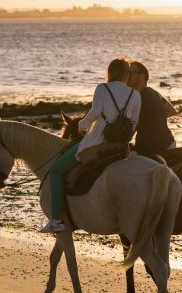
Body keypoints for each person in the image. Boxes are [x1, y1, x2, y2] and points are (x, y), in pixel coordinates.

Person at [41, 57, 141, 233]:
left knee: (56, 170)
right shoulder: (136, 95)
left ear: (110, 73)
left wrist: (82, 127)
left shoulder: (102, 88)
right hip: (120, 148)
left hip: (97, 144)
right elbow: (134, 124)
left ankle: (57, 219)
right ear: (127, 74)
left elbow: (94, 113)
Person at [128, 60, 177, 157]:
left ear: (142, 76)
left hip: (152, 149)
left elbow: (130, 133)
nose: (127, 76)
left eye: (131, 73)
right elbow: (172, 111)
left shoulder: (137, 98)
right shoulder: (154, 92)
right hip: (169, 143)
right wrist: (156, 118)